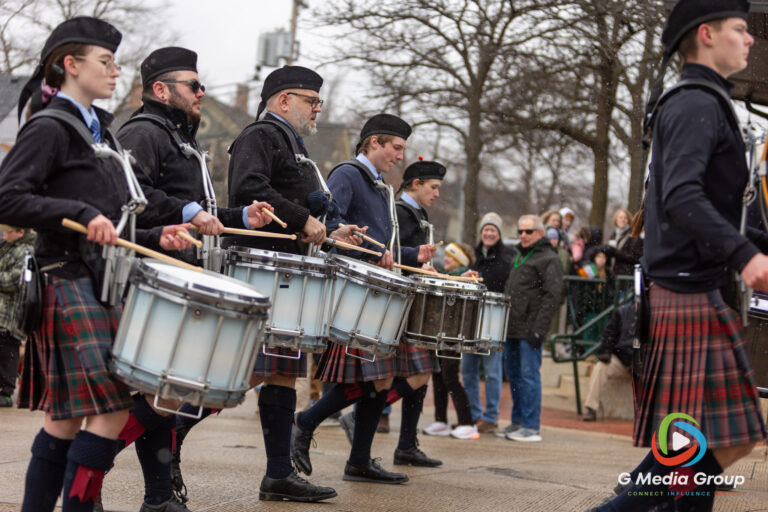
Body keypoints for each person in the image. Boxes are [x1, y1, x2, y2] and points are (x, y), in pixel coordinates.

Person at [0, 17, 193, 512]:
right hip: (65, 279)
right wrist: (80, 214)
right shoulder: (50, 126)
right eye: (105, 62)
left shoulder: (98, 133)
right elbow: (9, 199)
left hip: (99, 280)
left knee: (67, 420)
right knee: (109, 408)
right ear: (70, 65)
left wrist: (156, 235)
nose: (114, 71)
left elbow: (112, 221)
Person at [592, 1, 768, 510]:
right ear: (707, 35)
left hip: (693, 285)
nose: (750, 39)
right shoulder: (695, 103)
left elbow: (721, 205)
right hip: (689, 289)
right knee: (706, 444)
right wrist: (745, 256)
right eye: (741, 30)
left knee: (703, 442)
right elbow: (682, 198)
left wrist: (749, 247)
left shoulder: (708, 102)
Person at [113, 47, 274, 511]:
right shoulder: (143, 132)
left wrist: (238, 215)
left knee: (172, 390)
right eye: (193, 85)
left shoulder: (182, 139)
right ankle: (91, 461)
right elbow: (132, 195)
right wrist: (188, 211)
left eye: (201, 85)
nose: (202, 92)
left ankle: (159, 497)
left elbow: (197, 212)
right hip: (156, 274)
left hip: (184, 273)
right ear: (161, 89)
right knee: (167, 390)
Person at [206, 65, 361, 503]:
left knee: (281, 376)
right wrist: (304, 219)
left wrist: (330, 233)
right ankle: (167, 439)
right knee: (244, 374)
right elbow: (249, 192)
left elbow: (297, 214)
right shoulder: (260, 135)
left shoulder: (294, 145)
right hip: (262, 271)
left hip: (286, 274)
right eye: (311, 101)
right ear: (282, 100)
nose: (318, 109)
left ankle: (278, 475)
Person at [292, 114, 438, 485]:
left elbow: (381, 249)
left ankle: (358, 461)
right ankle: (305, 422)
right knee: (373, 379)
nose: (400, 157)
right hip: (354, 293)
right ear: (373, 142)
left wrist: (411, 255)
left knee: (382, 380)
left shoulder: (379, 185)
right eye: (396, 148)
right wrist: (365, 252)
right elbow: (327, 229)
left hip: (375, 290)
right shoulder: (347, 175)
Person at [502, 215, 562, 443]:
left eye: (529, 231)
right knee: (515, 376)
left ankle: (530, 425)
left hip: (531, 330)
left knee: (528, 377)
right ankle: (517, 421)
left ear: (540, 233)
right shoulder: (519, 256)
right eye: (521, 231)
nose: (523, 235)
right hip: (513, 328)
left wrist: (539, 329)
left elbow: (553, 296)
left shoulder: (549, 259)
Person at [462, 212, 514, 434]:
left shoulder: (507, 257)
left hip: (493, 316)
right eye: (486, 229)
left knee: (493, 371)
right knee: (467, 370)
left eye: (493, 230)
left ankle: (491, 417)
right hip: (472, 317)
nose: (489, 233)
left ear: (499, 234)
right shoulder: (473, 255)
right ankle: (474, 415)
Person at [423, 242, 479, 440]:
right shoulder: (453, 275)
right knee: (439, 375)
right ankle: (441, 420)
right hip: (441, 331)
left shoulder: (468, 275)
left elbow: (454, 285)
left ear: (460, 260)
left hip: (453, 334)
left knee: (450, 377)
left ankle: (467, 422)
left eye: (451, 256)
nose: (445, 258)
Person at [0, 225, 35, 407]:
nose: (5, 235)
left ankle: (6, 391)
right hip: (2, 308)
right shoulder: (6, 247)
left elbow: (15, 280)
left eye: (8, 232)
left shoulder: (25, 251)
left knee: (7, 351)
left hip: (10, 313)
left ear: (21, 232)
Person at [582, 304, 633, 422]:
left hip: (642, 364)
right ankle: (591, 408)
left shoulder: (653, 316)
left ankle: (650, 415)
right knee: (600, 367)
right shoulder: (622, 312)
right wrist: (605, 352)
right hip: (621, 359)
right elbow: (608, 335)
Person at [605, 209, 643, 277]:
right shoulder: (613, 234)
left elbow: (634, 256)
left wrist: (615, 252)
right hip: (613, 273)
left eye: (625, 218)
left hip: (627, 274)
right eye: (620, 217)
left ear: (628, 220)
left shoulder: (633, 234)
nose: (622, 220)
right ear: (616, 220)